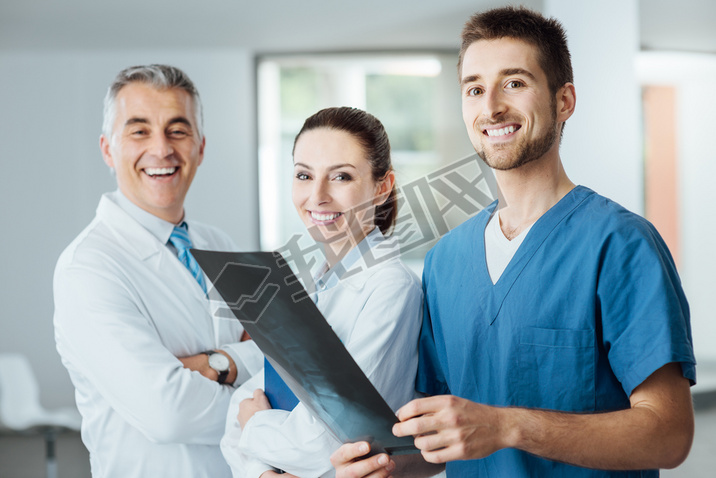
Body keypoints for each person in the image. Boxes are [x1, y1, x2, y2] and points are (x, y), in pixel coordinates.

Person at [331, 6, 696, 477]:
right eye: (475, 89)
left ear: (563, 101)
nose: (491, 107)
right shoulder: (446, 260)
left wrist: (510, 427)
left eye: (515, 83)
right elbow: (443, 435)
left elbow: (668, 435)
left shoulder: (622, 245)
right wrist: (385, 466)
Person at [53, 64, 263, 478]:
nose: (161, 148)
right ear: (108, 149)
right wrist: (255, 398)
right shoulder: (88, 268)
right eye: (139, 130)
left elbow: (285, 357)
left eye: (177, 130)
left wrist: (215, 363)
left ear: (200, 148)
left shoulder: (221, 244)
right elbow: (168, 413)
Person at [220, 107, 429, 478]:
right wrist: (263, 474)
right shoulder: (309, 287)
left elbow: (328, 443)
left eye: (341, 177)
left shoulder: (392, 289)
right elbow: (237, 410)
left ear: (382, 187)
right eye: (304, 175)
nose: (317, 196)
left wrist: (255, 426)